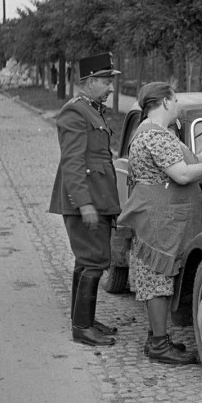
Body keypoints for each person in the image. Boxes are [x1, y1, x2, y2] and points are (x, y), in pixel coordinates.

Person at [117, 82, 202, 364]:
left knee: (160, 277)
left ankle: (156, 339)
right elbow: (184, 174)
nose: (177, 106)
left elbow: (193, 159)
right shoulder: (156, 136)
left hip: (164, 217)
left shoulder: (161, 133)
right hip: (159, 219)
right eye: (175, 101)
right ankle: (159, 345)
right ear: (164, 102)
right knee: (158, 279)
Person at [49, 52, 122, 347]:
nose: (110, 88)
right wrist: (85, 204)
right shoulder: (75, 112)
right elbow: (73, 163)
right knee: (94, 261)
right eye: (106, 81)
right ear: (90, 81)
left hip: (96, 199)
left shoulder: (92, 109)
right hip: (86, 202)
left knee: (87, 261)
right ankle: (82, 328)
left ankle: (85, 321)